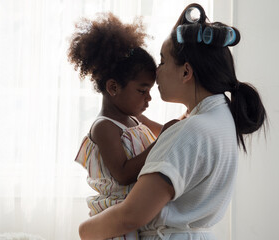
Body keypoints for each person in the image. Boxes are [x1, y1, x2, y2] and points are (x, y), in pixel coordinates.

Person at [78, 3, 267, 240]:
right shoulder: (219, 119)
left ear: (186, 72)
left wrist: (84, 231)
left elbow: (130, 216)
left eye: (162, 61)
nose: (157, 72)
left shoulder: (191, 130)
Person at [68, 13, 172, 240]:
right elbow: (122, 174)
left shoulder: (135, 119)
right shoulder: (104, 127)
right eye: (142, 91)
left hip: (137, 212)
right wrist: (162, 141)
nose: (149, 99)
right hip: (116, 221)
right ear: (113, 87)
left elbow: (166, 131)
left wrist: (181, 124)